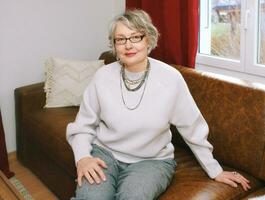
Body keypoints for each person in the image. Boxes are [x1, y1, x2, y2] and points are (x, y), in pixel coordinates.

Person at [67, 9, 250, 200]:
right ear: (114, 45)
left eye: (135, 37)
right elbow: (82, 126)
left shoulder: (171, 79)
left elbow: (192, 128)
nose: (128, 45)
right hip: (105, 154)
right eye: (120, 39)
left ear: (149, 39)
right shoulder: (102, 76)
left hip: (151, 161)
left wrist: (215, 170)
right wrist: (83, 158)